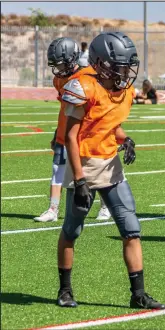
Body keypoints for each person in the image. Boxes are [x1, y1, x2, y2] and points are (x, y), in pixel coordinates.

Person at [56, 32, 165, 309]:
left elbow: (109, 124)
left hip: (110, 164)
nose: (125, 71)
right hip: (85, 164)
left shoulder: (126, 90)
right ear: (100, 63)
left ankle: (138, 294)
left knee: (131, 229)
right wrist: (79, 179)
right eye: (118, 65)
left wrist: (124, 138)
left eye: (127, 65)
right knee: (72, 229)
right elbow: (71, 136)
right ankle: (65, 289)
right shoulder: (82, 86)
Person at [34, 37, 111, 223]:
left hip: (86, 132)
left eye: (61, 64)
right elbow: (64, 109)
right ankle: (53, 209)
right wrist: (57, 132)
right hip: (65, 131)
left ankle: (105, 206)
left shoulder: (88, 76)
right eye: (56, 65)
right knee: (57, 168)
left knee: (92, 170)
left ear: (73, 58)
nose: (58, 69)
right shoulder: (58, 80)